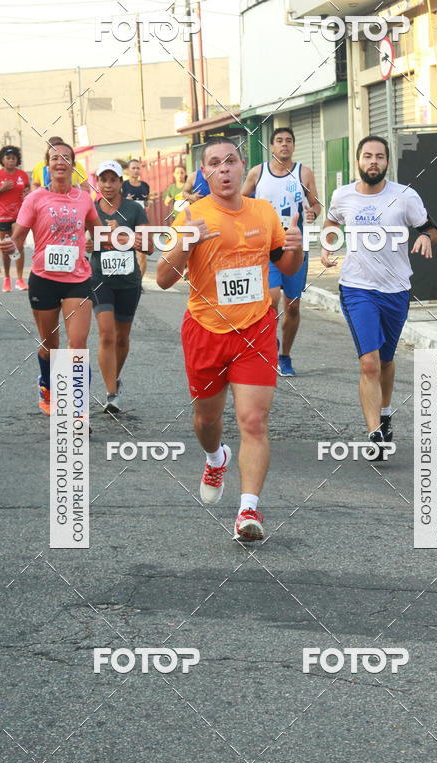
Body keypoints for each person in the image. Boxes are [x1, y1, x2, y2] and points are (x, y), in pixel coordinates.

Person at [156, 138, 304, 541]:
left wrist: (297, 247)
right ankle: (214, 456)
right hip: (206, 330)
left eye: (231, 161)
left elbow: (285, 265)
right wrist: (187, 241)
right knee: (207, 419)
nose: (224, 169)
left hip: (256, 328)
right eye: (215, 164)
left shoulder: (263, 211)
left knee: (254, 420)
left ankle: (247, 512)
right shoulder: (189, 215)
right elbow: (163, 279)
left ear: (243, 168)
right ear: (204, 174)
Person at [321, 135, 437, 458]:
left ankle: (385, 414)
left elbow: (431, 228)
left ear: (388, 162)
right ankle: (374, 433)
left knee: (386, 360)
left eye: (380, 157)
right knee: (369, 362)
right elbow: (331, 223)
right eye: (367, 156)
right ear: (358, 161)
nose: (373, 161)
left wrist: (427, 239)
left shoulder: (404, 197)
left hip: (396, 289)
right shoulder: (343, 195)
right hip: (357, 288)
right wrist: (328, 246)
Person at [2, 141, 108, 417]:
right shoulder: (35, 199)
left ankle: (76, 408)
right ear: (47, 166)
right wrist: (9, 247)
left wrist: (115, 238)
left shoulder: (84, 198)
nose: (59, 162)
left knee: (77, 343)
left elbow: (99, 232)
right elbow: (17, 240)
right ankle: (46, 384)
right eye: (53, 158)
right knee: (51, 346)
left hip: (77, 278)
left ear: (73, 164)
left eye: (65, 158)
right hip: (44, 279)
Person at [242, 127, 321, 377]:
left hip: (295, 246)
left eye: (288, 141)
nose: (284, 145)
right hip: (267, 247)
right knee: (271, 300)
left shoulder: (303, 173)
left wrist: (313, 212)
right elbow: (241, 200)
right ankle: (270, 345)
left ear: (294, 146)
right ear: (271, 147)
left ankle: (285, 355)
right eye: (279, 141)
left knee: (294, 306)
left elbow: (316, 203)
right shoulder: (258, 172)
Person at [87, 160, 147, 414]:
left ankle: (115, 378)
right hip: (100, 278)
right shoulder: (90, 208)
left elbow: (148, 245)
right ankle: (111, 393)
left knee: (122, 337)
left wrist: (117, 235)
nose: (108, 185)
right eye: (103, 180)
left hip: (128, 281)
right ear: (98, 183)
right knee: (106, 334)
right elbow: (80, 240)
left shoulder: (134, 209)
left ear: (121, 183)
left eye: (113, 180)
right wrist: (88, 245)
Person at [0, 145, 30, 292]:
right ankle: (6, 278)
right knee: (6, 248)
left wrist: (27, 193)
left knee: (19, 246)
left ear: (17, 160)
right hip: (3, 216)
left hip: (19, 216)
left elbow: (28, 189)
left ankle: (20, 279)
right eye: (8, 158)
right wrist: (1, 189)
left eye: (13, 158)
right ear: (2, 160)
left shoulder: (22, 175)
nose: (11, 161)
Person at [122, 159, 150, 281]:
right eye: (133, 168)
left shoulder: (145, 186)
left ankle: (139, 282)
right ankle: (126, 279)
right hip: (126, 222)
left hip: (141, 223)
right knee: (126, 253)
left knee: (142, 254)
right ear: (128, 170)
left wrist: (145, 205)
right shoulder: (123, 185)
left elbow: (147, 201)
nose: (135, 170)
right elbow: (116, 203)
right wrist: (126, 200)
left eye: (138, 168)